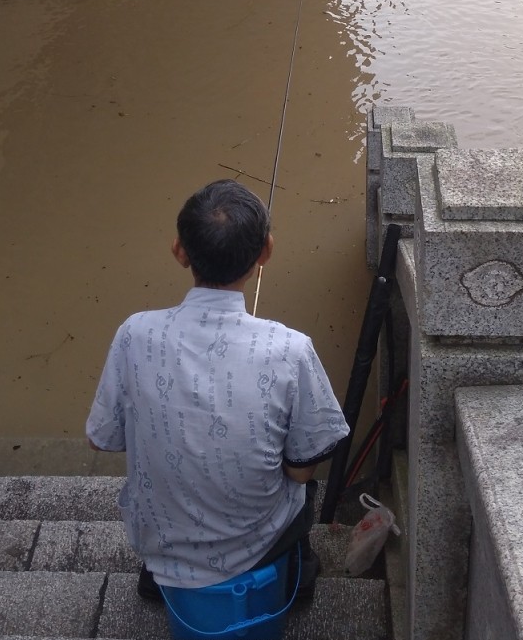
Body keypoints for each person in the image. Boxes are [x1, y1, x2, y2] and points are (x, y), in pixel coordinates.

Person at [86, 179, 350, 603]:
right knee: (304, 480)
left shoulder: (134, 333)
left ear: (179, 251)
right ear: (266, 251)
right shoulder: (291, 348)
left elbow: (102, 438)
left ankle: (166, 575)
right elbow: (303, 466)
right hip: (255, 543)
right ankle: (290, 579)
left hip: (158, 539)